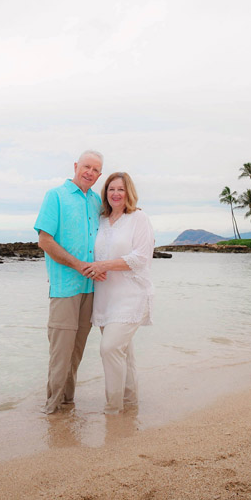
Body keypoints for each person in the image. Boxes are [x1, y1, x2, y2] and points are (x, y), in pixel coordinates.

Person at [34, 150, 104, 414]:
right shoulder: (56, 196)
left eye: (96, 170)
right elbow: (45, 241)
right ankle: (51, 410)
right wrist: (78, 265)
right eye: (86, 166)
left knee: (76, 354)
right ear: (76, 166)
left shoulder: (97, 201)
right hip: (65, 288)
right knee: (60, 354)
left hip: (91, 289)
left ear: (99, 175)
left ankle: (68, 404)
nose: (90, 172)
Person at [82, 172, 154, 415]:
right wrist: (94, 269)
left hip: (130, 295)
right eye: (111, 189)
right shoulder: (101, 221)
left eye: (121, 190)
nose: (115, 194)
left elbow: (141, 258)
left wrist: (105, 265)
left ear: (128, 192)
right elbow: (95, 256)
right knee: (124, 354)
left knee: (110, 348)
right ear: (105, 193)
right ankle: (130, 405)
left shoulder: (138, 218)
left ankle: (112, 409)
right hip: (104, 297)